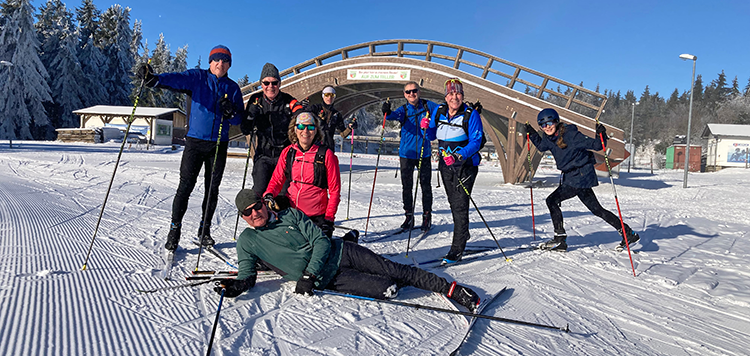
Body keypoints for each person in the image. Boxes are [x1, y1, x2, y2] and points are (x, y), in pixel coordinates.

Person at [214, 189, 482, 313]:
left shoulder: (289, 215)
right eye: (247, 213)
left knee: (393, 268)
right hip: (330, 279)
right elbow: (246, 273)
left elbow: (319, 240)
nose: (254, 214)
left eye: (256, 207)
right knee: (387, 289)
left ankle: (451, 289)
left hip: (341, 252)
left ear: (263, 204)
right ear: (243, 217)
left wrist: (308, 273)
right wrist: (237, 286)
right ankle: (402, 279)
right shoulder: (247, 241)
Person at [137, 45, 244, 251]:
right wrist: (154, 79)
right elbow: (176, 79)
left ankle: (204, 231)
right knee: (185, 187)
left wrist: (231, 112)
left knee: (212, 190)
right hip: (195, 143)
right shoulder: (197, 78)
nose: (220, 64)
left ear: (229, 64)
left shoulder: (232, 88)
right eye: (216, 60)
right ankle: (174, 229)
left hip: (218, 145)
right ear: (210, 62)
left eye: (225, 61)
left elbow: (240, 117)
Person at [524, 108, 641, 251]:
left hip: (580, 175)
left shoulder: (571, 135)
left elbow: (597, 145)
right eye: (543, 125)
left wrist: (601, 134)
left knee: (552, 200)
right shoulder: (549, 139)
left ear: (556, 121)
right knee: (597, 209)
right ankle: (628, 233)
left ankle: (560, 239)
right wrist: (531, 133)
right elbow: (542, 147)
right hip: (573, 177)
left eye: (549, 123)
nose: (547, 127)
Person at [422, 78, 483, 264]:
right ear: (446, 96)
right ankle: (463, 232)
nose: (454, 97)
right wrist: (425, 126)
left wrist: (459, 156)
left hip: (465, 166)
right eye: (450, 94)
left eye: (457, 93)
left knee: (459, 204)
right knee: (453, 202)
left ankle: (457, 248)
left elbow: (477, 141)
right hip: (445, 165)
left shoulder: (470, 114)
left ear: (462, 96)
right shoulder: (439, 111)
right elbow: (433, 134)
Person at [262, 111, 343, 239]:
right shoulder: (288, 152)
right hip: (292, 213)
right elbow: (277, 179)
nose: (305, 131)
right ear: (295, 129)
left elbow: (334, 191)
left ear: (316, 130)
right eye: (301, 127)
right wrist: (269, 194)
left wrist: (329, 219)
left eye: (310, 127)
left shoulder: (326, 155)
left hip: (316, 216)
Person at [382, 81, 439, 231]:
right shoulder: (404, 109)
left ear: (419, 92)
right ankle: (409, 216)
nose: (411, 94)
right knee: (407, 187)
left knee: (425, 186)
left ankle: (427, 216)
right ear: (404, 94)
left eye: (414, 91)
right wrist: (386, 112)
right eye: (408, 92)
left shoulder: (428, 106)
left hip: (423, 153)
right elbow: (391, 116)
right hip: (406, 154)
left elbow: (444, 110)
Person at [241, 63, 303, 196]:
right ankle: (259, 215)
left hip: (284, 157)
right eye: (266, 83)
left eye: (274, 83)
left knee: (283, 195)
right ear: (261, 84)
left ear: (279, 84)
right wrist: (251, 114)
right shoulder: (255, 100)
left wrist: (300, 113)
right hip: (263, 155)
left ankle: (281, 216)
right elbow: (245, 129)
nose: (270, 87)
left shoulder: (288, 100)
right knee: (259, 191)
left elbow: (300, 113)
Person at [309, 85, 357, 151]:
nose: (329, 97)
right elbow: (304, 120)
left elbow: (343, 134)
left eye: (332, 95)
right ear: (323, 96)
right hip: (314, 147)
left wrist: (350, 127)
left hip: (329, 148)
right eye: (327, 95)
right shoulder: (315, 109)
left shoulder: (336, 114)